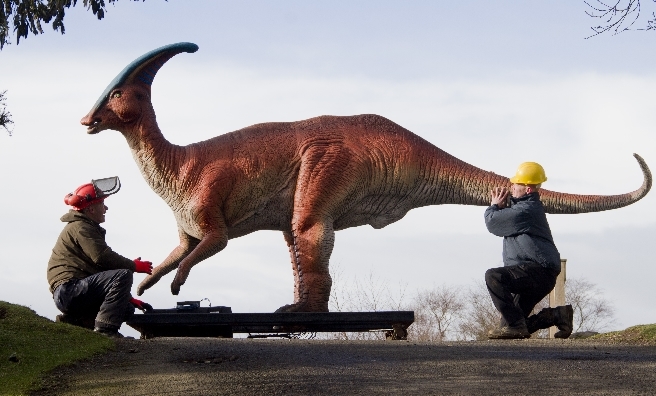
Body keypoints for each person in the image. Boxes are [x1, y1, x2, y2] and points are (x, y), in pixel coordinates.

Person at [47, 177, 154, 338]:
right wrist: (134, 266)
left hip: (71, 292)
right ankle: (105, 331)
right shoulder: (81, 227)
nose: (106, 208)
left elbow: (100, 270)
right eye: (102, 204)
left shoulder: (83, 226)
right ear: (91, 209)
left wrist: (129, 298)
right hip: (70, 291)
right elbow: (102, 258)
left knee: (125, 308)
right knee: (123, 274)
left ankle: (76, 323)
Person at [484, 162, 573, 339]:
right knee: (510, 328)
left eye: (516, 184)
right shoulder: (521, 209)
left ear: (528, 189)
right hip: (537, 273)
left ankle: (517, 325)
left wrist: (493, 206)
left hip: (538, 271)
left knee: (493, 277)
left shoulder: (527, 210)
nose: (512, 187)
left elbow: (493, 222)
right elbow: (505, 220)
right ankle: (557, 315)